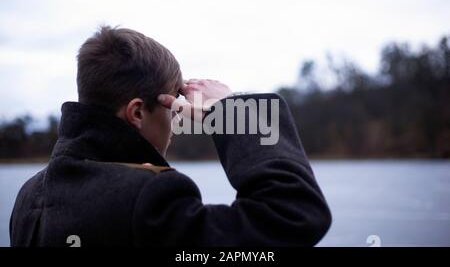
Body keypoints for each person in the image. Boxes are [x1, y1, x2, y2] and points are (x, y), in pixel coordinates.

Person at [10, 26, 331, 247]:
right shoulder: (147, 198)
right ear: (137, 113)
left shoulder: (29, 196)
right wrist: (234, 112)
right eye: (173, 106)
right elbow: (294, 217)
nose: (177, 122)